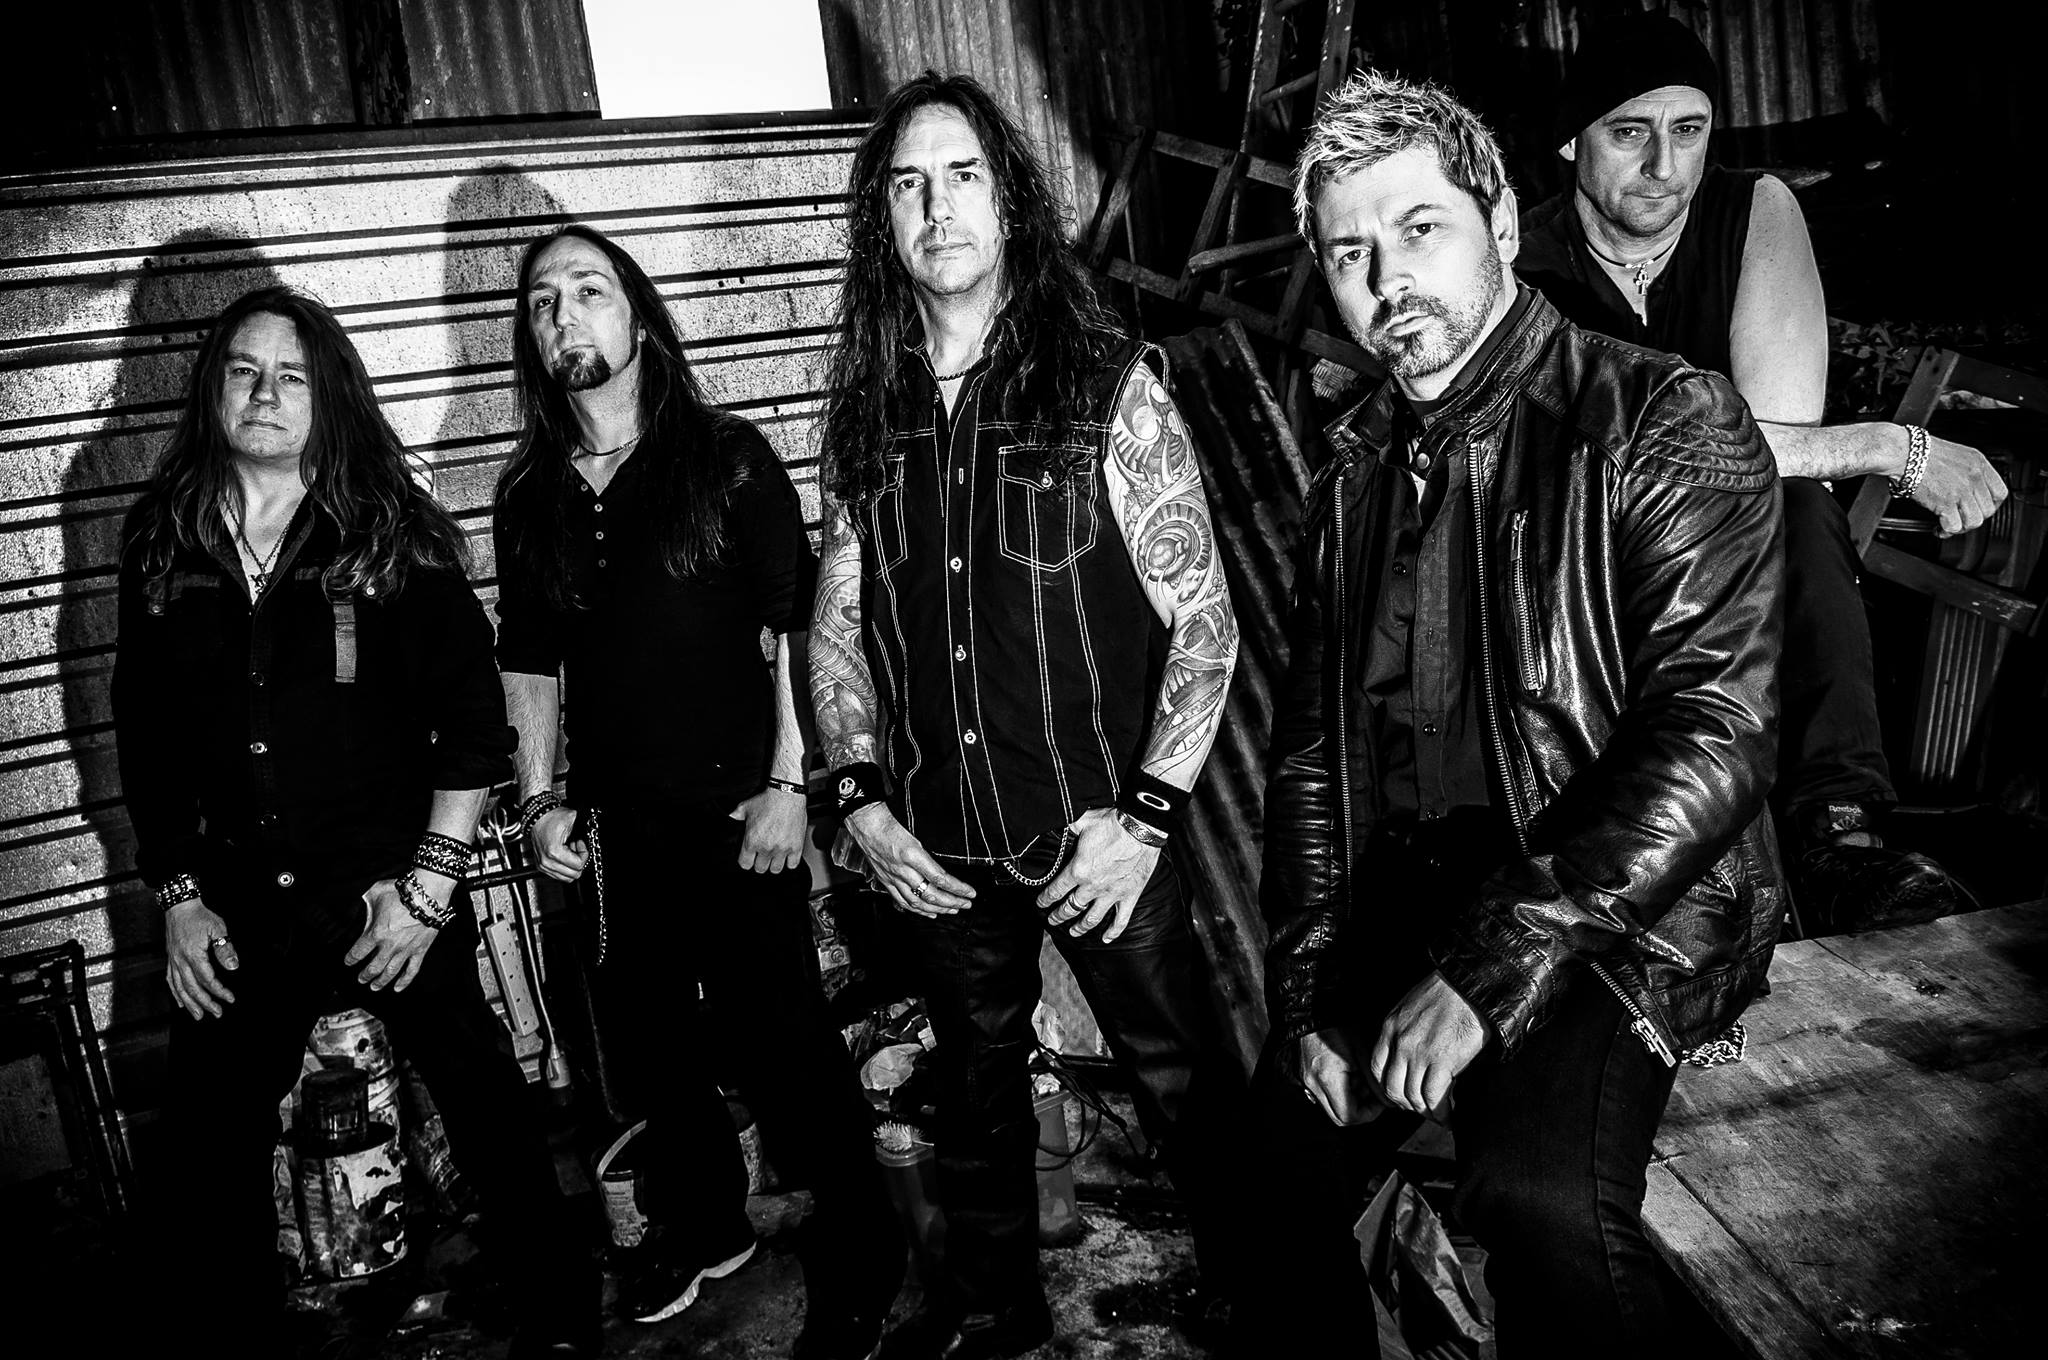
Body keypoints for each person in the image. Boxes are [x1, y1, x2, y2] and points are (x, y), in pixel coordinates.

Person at [1255, 70, 1786, 1351]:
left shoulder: (1659, 417)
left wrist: (1488, 969)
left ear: (1499, 220)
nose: (1386, 281)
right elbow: (1312, 756)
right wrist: (1310, 994)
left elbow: (1714, 733)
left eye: (1418, 228)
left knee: (1538, 1198)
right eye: (1347, 254)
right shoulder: (1351, 473)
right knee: (1272, 1163)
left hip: (1621, 906)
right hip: (1420, 880)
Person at [808, 72, 1248, 1360]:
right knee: (975, 1094)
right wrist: (858, 798)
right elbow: (834, 626)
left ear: (1007, 202)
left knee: (1184, 1081)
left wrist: (1146, 819)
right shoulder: (866, 413)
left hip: (1099, 834)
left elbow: (1204, 619)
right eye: (906, 184)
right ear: (882, 222)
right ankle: (995, 1315)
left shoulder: (1105, 385)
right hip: (938, 843)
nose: (935, 205)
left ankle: (1271, 1299)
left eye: (961, 176)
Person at [113, 286, 598, 1358]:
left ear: (327, 396)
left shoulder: (389, 532)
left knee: (485, 1104)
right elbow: (144, 739)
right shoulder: (161, 542)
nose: (266, 393)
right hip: (238, 903)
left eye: (292, 375)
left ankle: (562, 1316)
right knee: (206, 1151)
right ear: (212, 388)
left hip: (386, 891)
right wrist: (180, 898)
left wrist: (428, 890)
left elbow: (474, 726)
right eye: (245, 370)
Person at [492, 224, 903, 1358]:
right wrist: (539, 802)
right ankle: (710, 1227)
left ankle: (865, 1248)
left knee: (787, 1045)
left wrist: (791, 784)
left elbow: (799, 625)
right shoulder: (528, 494)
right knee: (652, 1051)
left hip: (740, 817)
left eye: (589, 290)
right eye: (542, 302)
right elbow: (528, 659)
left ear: (639, 317)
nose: (565, 315)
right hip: (612, 827)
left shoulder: (726, 458)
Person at [1515, 12, 2004, 933]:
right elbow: (1590, 466)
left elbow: (1774, 446)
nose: (1665, 166)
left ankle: (1838, 838)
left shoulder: (1752, 211)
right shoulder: (1523, 261)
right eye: (1629, 132)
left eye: (1688, 130)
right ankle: (1653, 856)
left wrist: (1832, 449)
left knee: (1797, 504)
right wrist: (1889, 445)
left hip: (1740, 527)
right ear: (1572, 140)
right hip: (1594, 549)